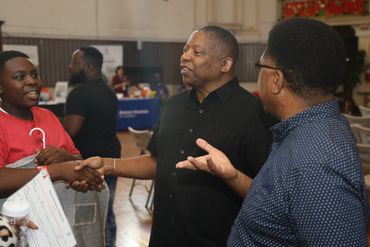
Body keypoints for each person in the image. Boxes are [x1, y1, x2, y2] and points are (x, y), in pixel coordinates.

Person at [176, 18, 369, 246]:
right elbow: (280, 208)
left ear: (276, 80)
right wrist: (233, 175)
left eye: (261, 67)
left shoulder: (315, 162)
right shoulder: (304, 132)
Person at [75, 26, 273, 247]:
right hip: (163, 237)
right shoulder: (174, 104)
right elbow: (157, 162)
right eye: (184, 50)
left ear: (225, 64)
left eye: (196, 52)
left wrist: (231, 175)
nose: (185, 57)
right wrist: (108, 164)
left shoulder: (254, 113)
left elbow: (268, 194)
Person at [0, 50, 102, 198]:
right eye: (20, 77)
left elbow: (78, 159)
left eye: (35, 75)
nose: (32, 81)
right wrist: (59, 171)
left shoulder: (48, 116)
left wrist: (64, 156)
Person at [64, 47, 121, 247]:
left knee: (86, 216)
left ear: (88, 67)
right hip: (110, 159)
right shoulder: (109, 92)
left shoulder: (79, 94)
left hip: (88, 165)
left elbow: (71, 129)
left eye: (74, 63)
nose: (70, 67)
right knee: (107, 211)